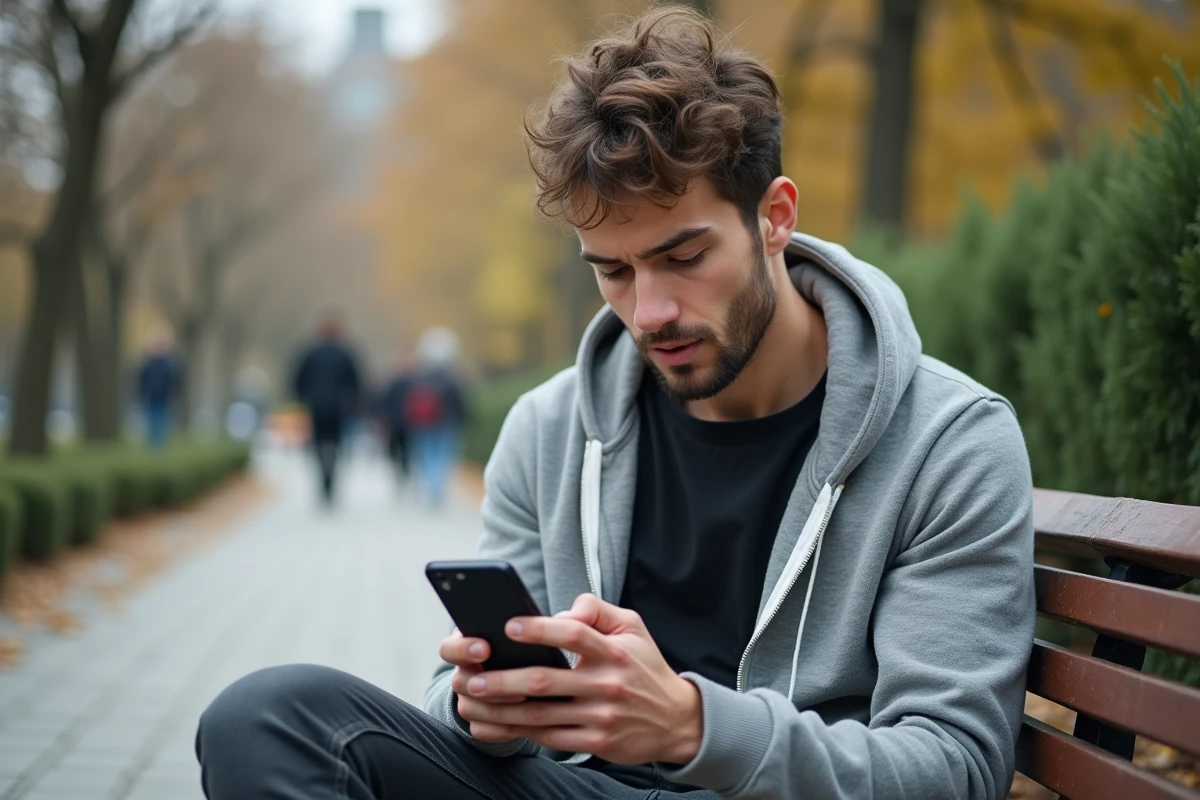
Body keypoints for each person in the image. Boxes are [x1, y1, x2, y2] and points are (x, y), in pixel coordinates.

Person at [197, 8, 1035, 799]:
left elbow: (955, 766)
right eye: (614, 271)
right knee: (268, 718)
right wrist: (481, 707)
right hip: (580, 784)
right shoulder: (550, 429)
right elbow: (462, 709)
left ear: (775, 218)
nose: (651, 311)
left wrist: (697, 727)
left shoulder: (947, 444)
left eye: (684, 257)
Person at [292, 314, 363, 505]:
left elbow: (298, 379)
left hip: (315, 407)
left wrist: (302, 399)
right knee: (336, 444)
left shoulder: (310, 353)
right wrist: (353, 401)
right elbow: (355, 381)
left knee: (318, 444)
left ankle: (324, 475)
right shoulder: (345, 353)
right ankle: (330, 475)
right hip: (338, 408)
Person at [405, 327, 469, 509]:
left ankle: (431, 487)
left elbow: (411, 401)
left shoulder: (419, 376)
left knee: (427, 455)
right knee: (443, 456)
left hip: (424, 423)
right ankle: (437, 488)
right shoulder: (452, 377)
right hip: (447, 422)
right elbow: (459, 402)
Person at [377, 354, 417, 484]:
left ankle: (401, 469)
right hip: (405, 422)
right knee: (403, 448)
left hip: (398, 422)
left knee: (398, 448)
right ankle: (403, 469)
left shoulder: (395, 384)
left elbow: (385, 403)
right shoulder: (411, 384)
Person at [136, 336, 180, 451]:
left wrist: (173, 395)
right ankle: (153, 447)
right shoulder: (147, 365)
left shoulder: (168, 365)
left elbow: (173, 382)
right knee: (152, 422)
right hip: (151, 397)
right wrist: (142, 396)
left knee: (162, 422)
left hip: (164, 398)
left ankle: (160, 447)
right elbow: (142, 381)